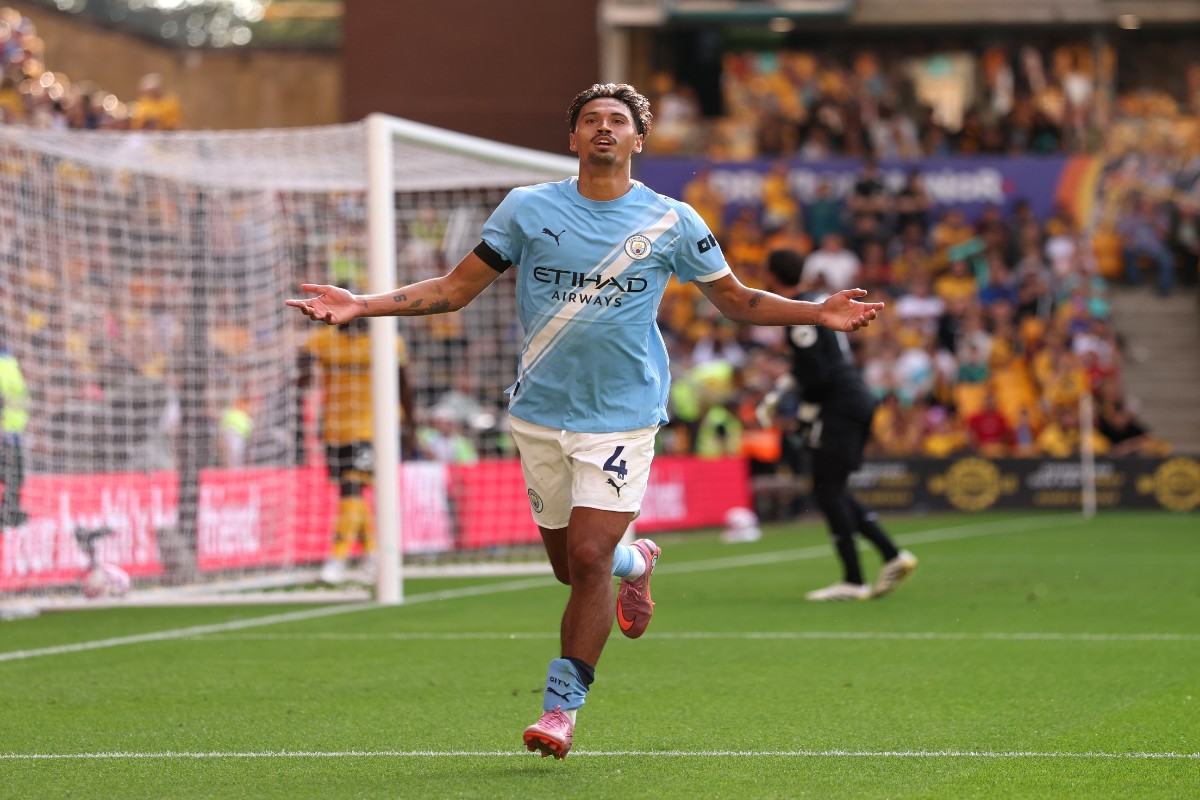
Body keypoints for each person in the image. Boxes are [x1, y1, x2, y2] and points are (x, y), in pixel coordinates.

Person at [287, 83, 882, 760]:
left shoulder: (672, 221)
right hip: (540, 412)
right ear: (573, 139)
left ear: (637, 141)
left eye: (617, 122)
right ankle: (641, 560)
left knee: (589, 555)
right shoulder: (527, 209)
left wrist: (816, 311)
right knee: (573, 571)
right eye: (591, 120)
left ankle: (561, 710)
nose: (604, 128)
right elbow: (453, 292)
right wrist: (362, 305)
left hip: (623, 415)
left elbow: (738, 302)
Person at [759, 248, 915, 602]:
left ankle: (854, 578)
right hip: (853, 398)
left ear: (771, 276)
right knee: (834, 487)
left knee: (827, 490)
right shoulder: (816, 301)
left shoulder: (800, 310)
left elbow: (816, 371)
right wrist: (784, 391)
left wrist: (801, 409)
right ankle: (891, 555)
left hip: (839, 405)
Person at [299, 315, 415, 586]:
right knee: (351, 491)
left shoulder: (387, 341)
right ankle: (372, 554)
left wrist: (410, 425)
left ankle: (337, 559)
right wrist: (304, 361)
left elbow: (404, 384)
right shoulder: (322, 341)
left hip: (375, 429)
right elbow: (303, 377)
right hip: (334, 427)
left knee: (352, 486)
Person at [0, 333, 29, 527]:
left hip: (14, 434)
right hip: (5, 434)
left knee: (15, 477)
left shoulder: (10, 363)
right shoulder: (6, 365)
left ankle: (10, 512)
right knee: (9, 476)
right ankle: (7, 514)